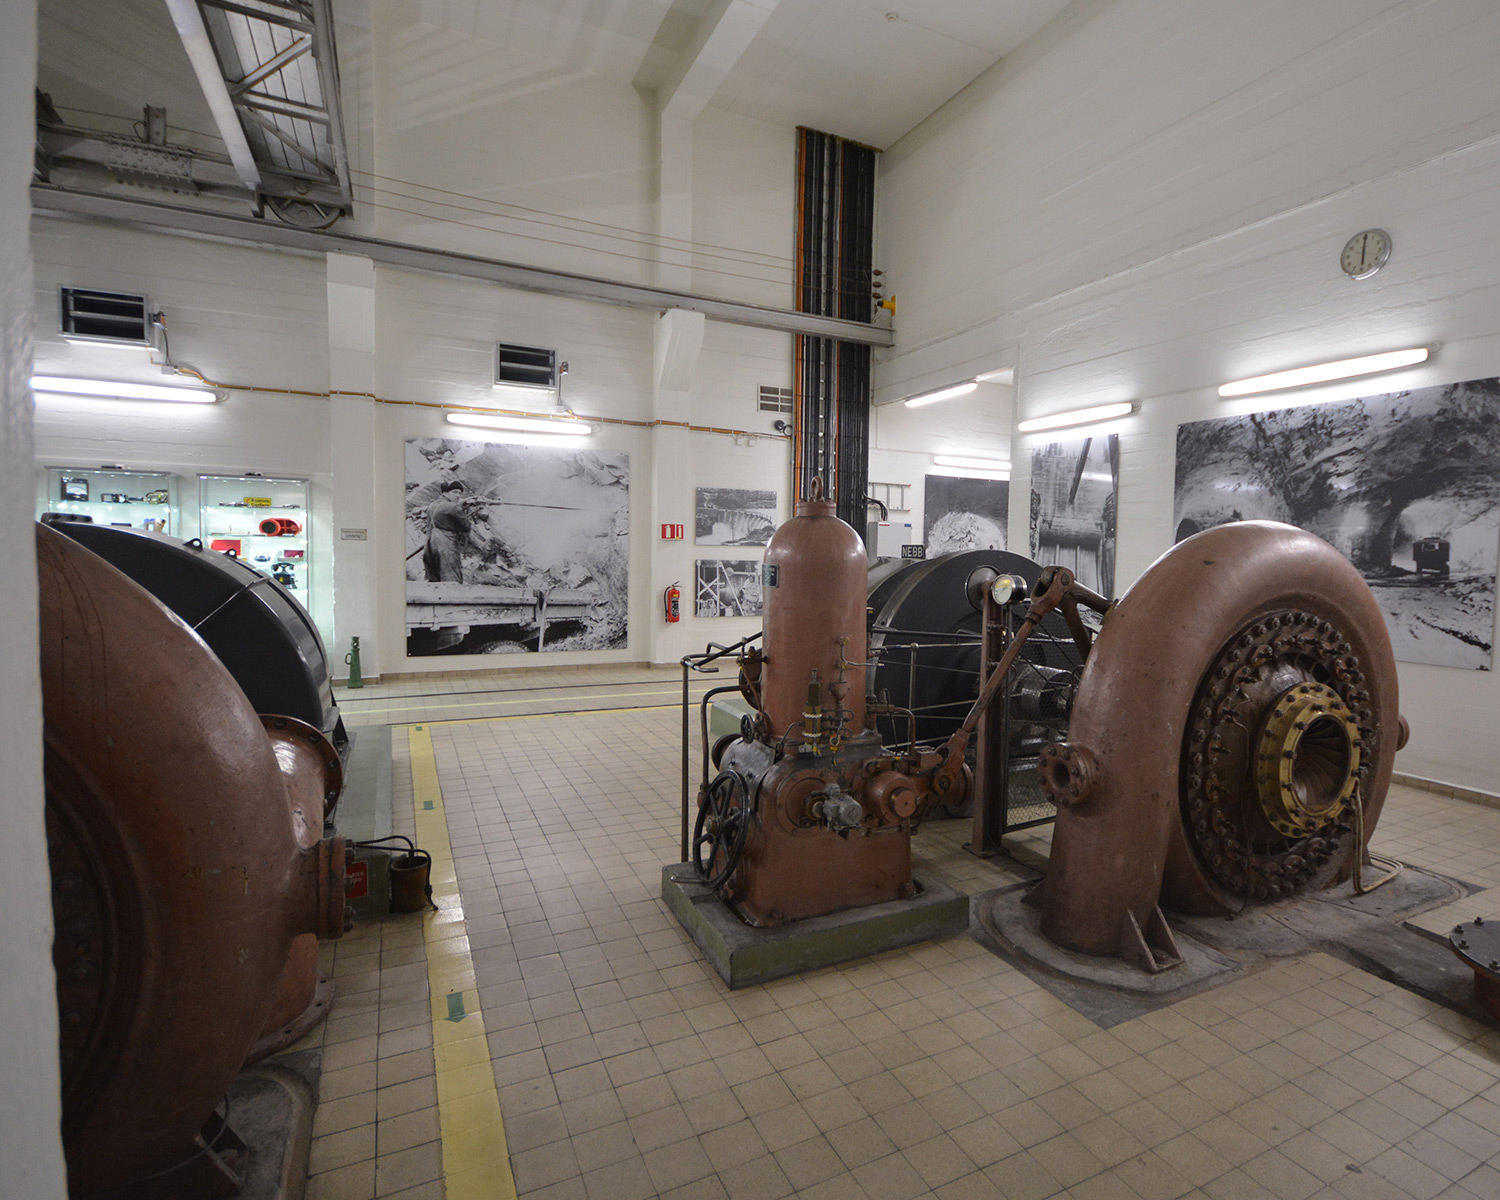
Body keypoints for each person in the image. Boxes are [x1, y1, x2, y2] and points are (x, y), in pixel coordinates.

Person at [423, 480, 474, 583]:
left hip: (429, 542)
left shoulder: (431, 506)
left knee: (434, 576)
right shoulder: (453, 507)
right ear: (445, 493)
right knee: (452, 576)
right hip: (446, 542)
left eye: (459, 493)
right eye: (455, 492)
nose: (458, 495)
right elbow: (466, 527)